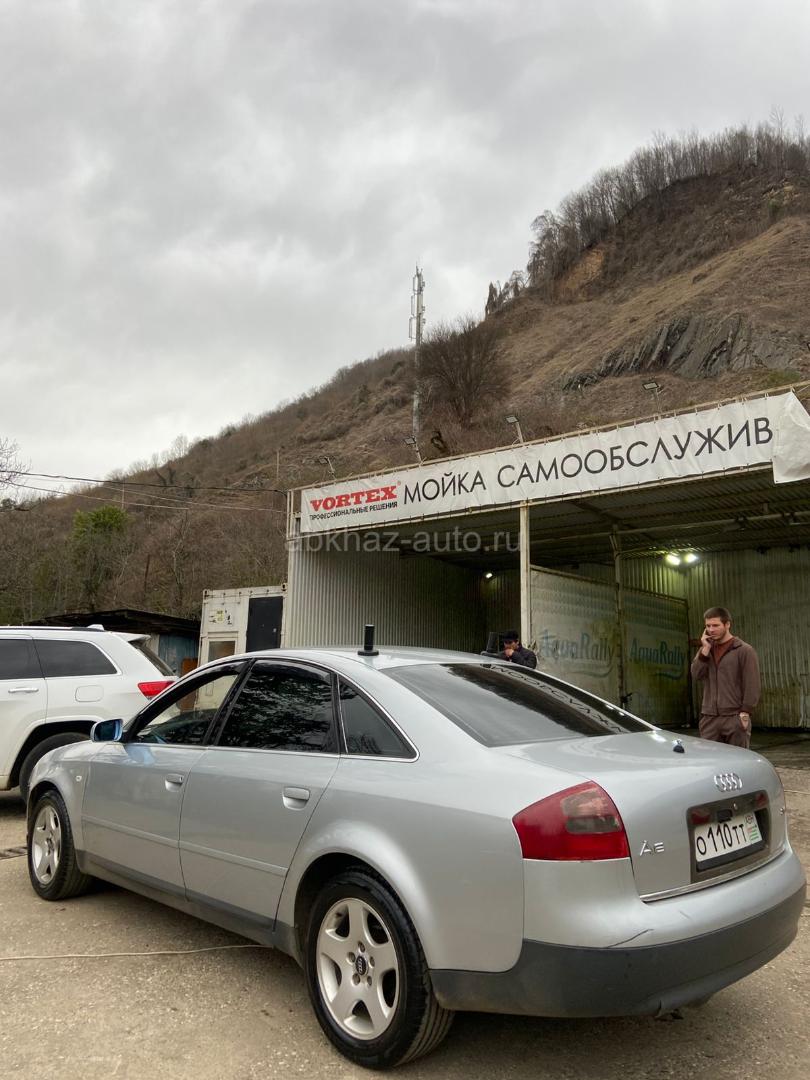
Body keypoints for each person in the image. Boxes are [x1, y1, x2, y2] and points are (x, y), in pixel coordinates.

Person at [690, 606, 760, 749]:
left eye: (715, 625)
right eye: (708, 626)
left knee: (738, 759)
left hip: (734, 718)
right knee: (710, 759)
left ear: (727, 624)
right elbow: (696, 675)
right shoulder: (706, 650)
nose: (711, 630)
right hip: (709, 718)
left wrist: (745, 712)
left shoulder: (744, 650)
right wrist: (705, 650)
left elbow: (752, 684)